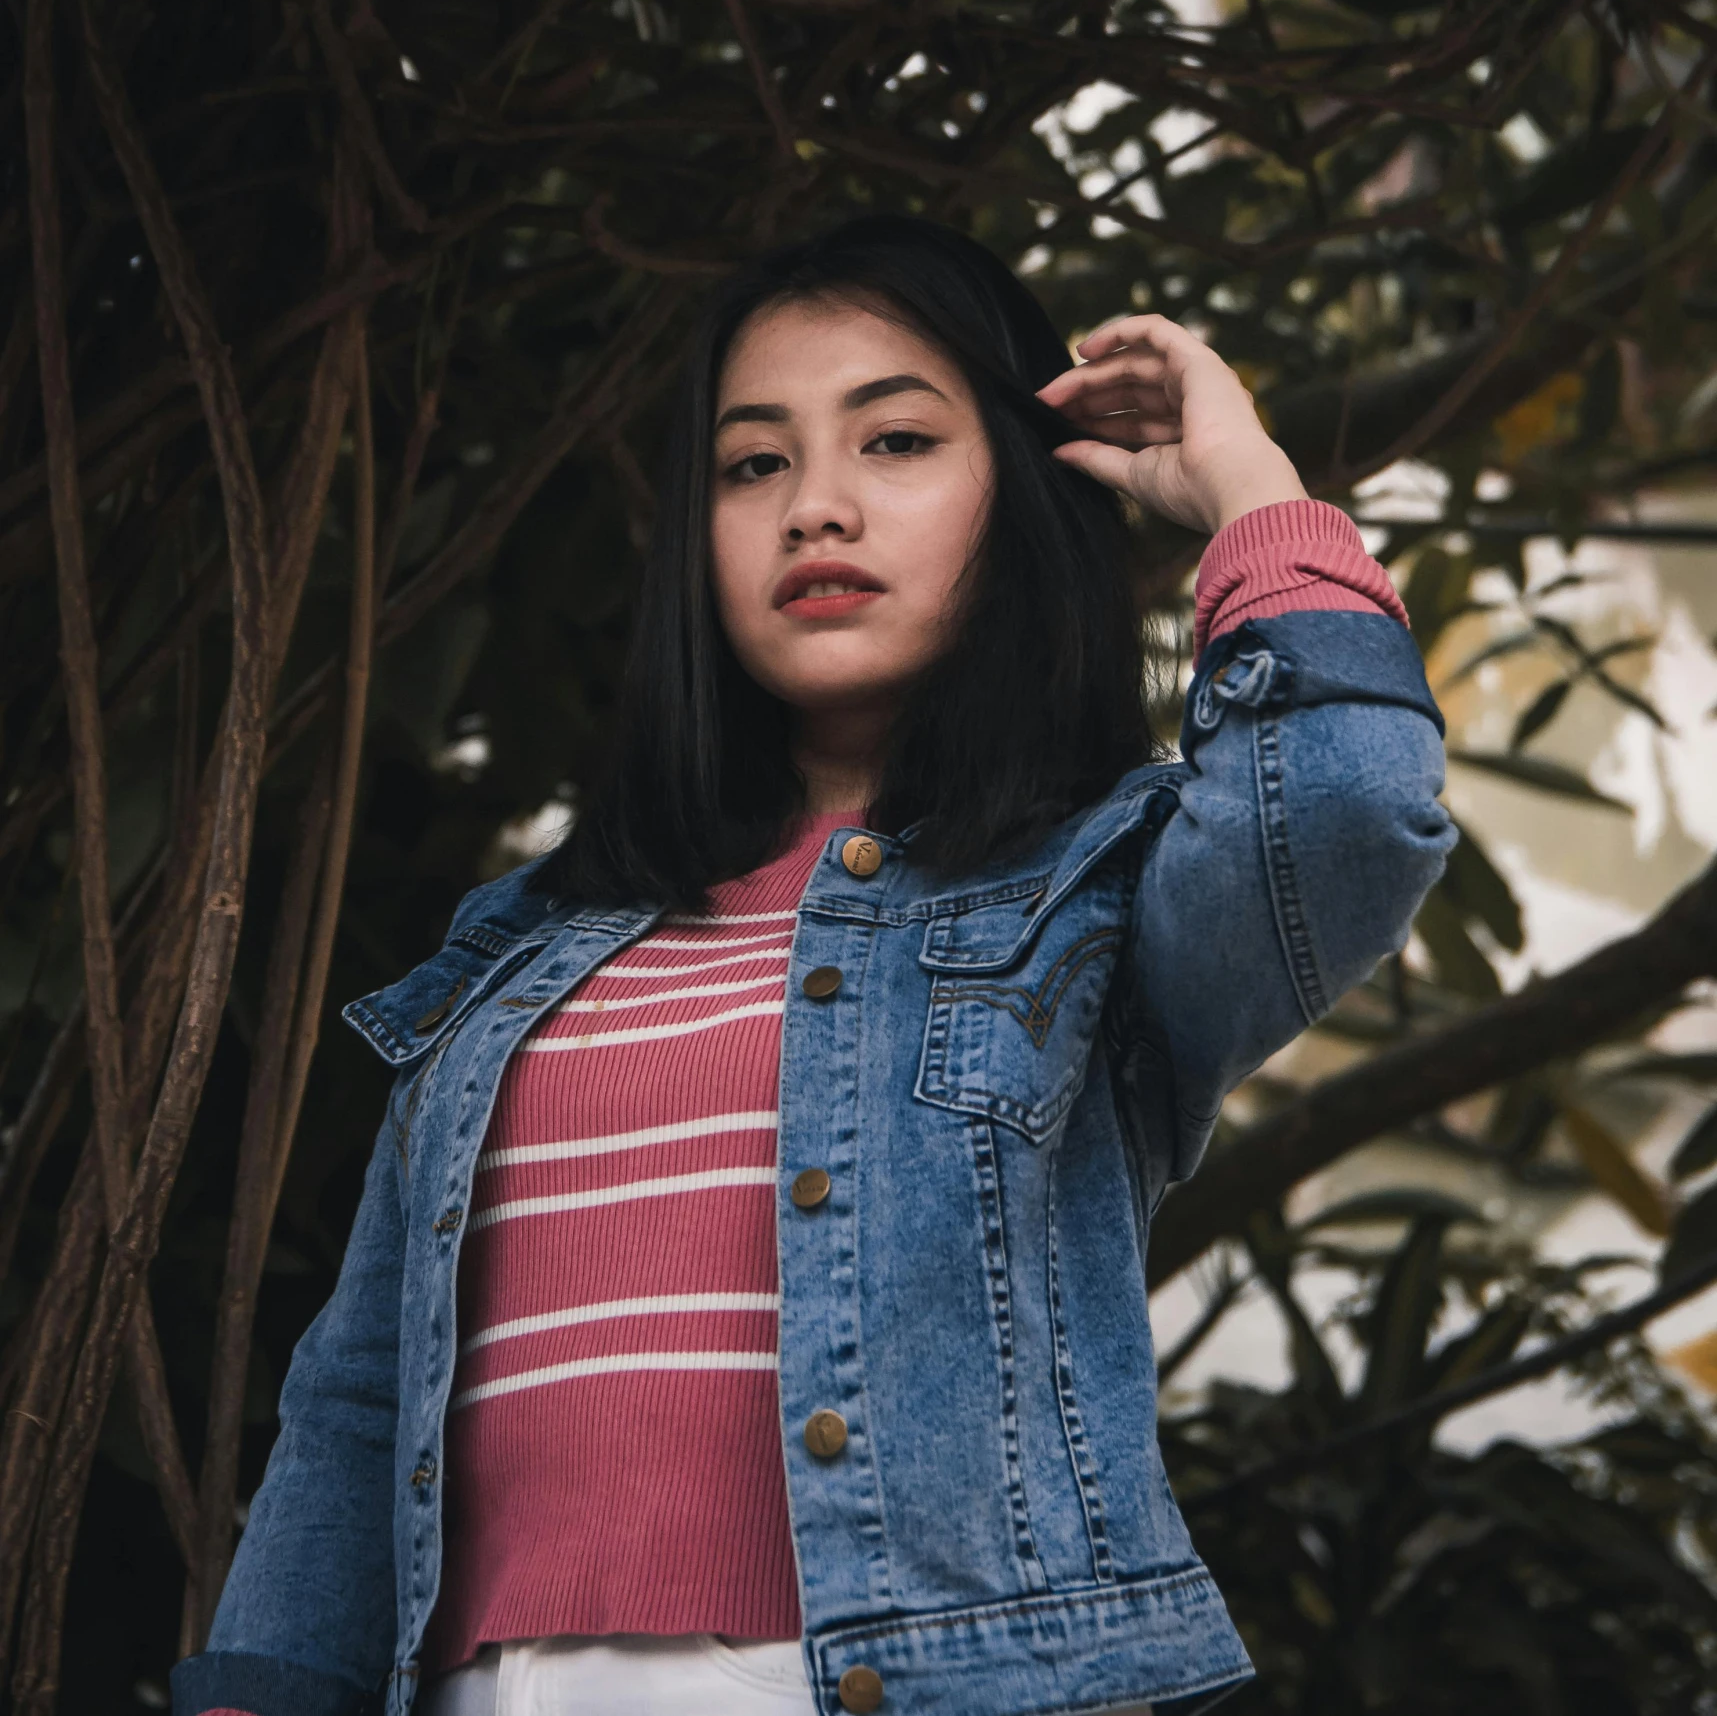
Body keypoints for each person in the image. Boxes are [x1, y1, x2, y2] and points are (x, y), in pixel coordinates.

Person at [173, 217, 1454, 1716]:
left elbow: (1357, 805)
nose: (816, 509)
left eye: (897, 440)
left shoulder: (1100, 893)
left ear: (1025, 496)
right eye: (753, 462)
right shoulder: (524, 945)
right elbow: (355, 1395)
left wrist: (1247, 481)